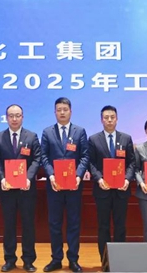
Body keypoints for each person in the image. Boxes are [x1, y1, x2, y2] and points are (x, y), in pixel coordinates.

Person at [40, 97, 89, 273]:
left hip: (74, 186)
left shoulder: (79, 132)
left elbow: (85, 156)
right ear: (55, 112)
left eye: (65, 109)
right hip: (54, 186)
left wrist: (78, 176)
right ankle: (56, 259)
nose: (62, 112)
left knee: (74, 223)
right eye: (59, 109)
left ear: (70, 111)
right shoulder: (47, 132)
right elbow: (44, 157)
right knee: (55, 223)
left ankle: (73, 259)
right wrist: (51, 175)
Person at [0, 104, 41, 273]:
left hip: (26, 189)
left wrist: (28, 177)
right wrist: (2, 178)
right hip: (7, 190)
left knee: (28, 225)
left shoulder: (32, 136)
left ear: (22, 117)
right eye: (11, 116)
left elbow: (37, 159)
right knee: (9, 225)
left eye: (17, 115)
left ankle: (28, 260)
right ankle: (9, 259)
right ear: (6, 118)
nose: (14, 119)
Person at [87, 105, 135, 261]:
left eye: (112, 117)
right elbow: (91, 163)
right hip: (103, 190)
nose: (109, 120)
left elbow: (131, 163)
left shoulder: (126, 138)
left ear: (117, 119)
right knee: (103, 227)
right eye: (106, 117)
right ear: (101, 120)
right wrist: (99, 179)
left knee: (120, 226)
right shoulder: (93, 139)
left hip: (121, 190)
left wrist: (127, 179)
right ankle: (105, 261)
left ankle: (119, 260)